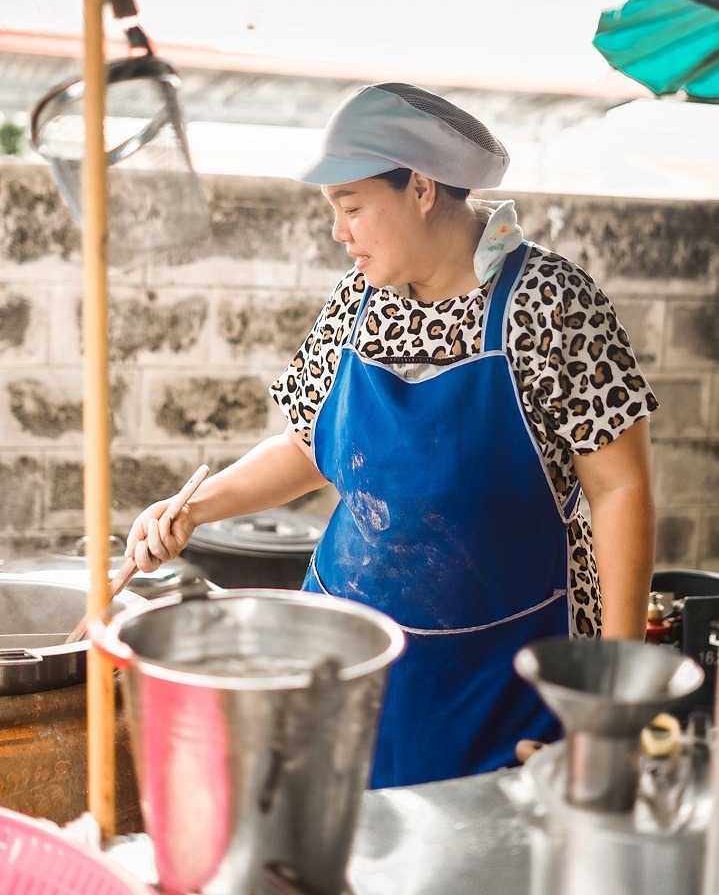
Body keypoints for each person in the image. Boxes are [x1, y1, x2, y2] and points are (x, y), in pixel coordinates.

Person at [126, 82, 658, 789]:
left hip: (504, 670)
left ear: (420, 188)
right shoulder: (356, 302)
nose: (338, 232)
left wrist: (612, 694)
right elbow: (304, 447)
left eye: (351, 207)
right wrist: (193, 510)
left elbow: (620, 487)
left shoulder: (550, 303)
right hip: (351, 657)